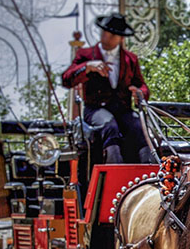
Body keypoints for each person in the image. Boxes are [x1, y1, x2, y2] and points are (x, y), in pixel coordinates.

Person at [61, 13, 152, 164]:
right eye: (104, 34)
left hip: (123, 110)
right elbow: (67, 79)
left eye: (111, 36)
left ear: (121, 38)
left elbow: (141, 85)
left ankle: (150, 174)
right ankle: (114, 173)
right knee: (110, 126)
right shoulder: (85, 55)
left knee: (140, 127)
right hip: (95, 109)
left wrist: (140, 93)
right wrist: (87, 67)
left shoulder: (131, 59)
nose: (106, 39)